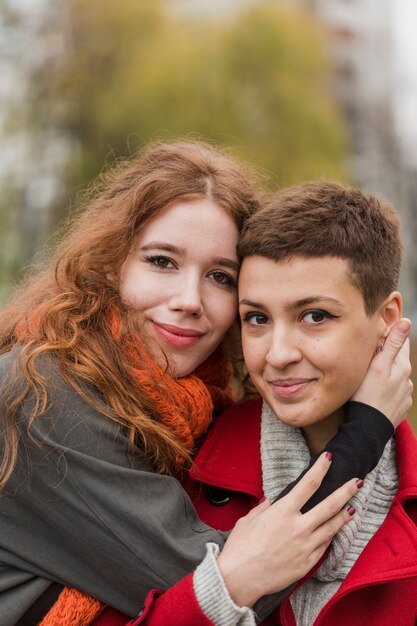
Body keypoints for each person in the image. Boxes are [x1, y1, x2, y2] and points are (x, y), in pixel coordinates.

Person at [0, 143, 411, 626]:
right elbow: (228, 575)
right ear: (111, 264)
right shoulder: (44, 394)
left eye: (220, 276)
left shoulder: (195, 409)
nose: (189, 300)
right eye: (161, 262)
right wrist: (367, 429)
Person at [166, 180, 414, 626]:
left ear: (386, 321)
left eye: (315, 316)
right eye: (256, 318)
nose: (278, 354)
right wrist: (222, 590)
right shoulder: (177, 469)